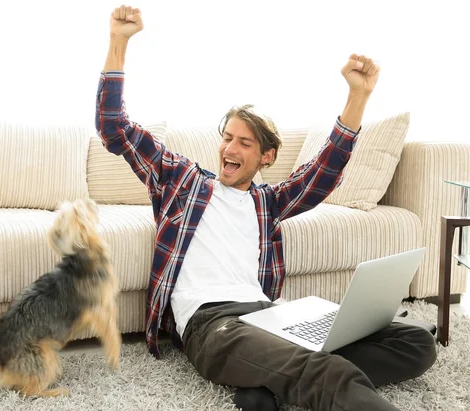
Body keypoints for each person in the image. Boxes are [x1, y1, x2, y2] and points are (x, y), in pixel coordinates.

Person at [95, 5, 437, 411]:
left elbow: (322, 174)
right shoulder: (181, 181)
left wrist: (358, 95)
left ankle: (270, 381)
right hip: (214, 326)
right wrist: (119, 41)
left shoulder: (267, 203)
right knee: (326, 371)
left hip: (270, 317)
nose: (229, 149)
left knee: (415, 341)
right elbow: (114, 125)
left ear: (267, 157)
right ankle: (298, 373)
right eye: (227, 138)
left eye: (244, 143)